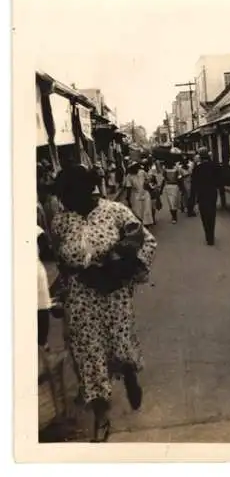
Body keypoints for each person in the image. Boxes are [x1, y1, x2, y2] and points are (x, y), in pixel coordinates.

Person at [51, 164, 157, 442]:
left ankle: (129, 374)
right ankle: (101, 415)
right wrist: (59, 291)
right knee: (88, 354)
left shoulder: (116, 212)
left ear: (86, 190)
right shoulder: (60, 221)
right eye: (62, 196)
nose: (64, 201)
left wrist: (119, 270)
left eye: (68, 194)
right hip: (80, 298)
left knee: (119, 347)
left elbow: (147, 243)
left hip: (114, 295)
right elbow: (61, 261)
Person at [190, 147, 220, 246]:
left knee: (204, 215)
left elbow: (193, 185)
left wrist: (192, 199)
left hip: (202, 194)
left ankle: (208, 235)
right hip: (212, 193)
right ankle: (211, 235)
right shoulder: (214, 166)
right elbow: (219, 180)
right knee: (212, 214)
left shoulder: (197, 168)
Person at [124, 162, 154, 227]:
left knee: (146, 209)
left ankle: (146, 226)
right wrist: (128, 198)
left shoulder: (141, 172)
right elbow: (128, 188)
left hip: (144, 193)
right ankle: (141, 226)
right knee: (138, 211)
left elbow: (149, 179)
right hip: (137, 195)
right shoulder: (129, 176)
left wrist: (147, 183)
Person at [162, 157, 182, 224]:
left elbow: (179, 179)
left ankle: (174, 216)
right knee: (171, 202)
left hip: (173, 186)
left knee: (173, 202)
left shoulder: (176, 170)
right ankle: (174, 216)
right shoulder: (166, 170)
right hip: (170, 187)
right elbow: (163, 179)